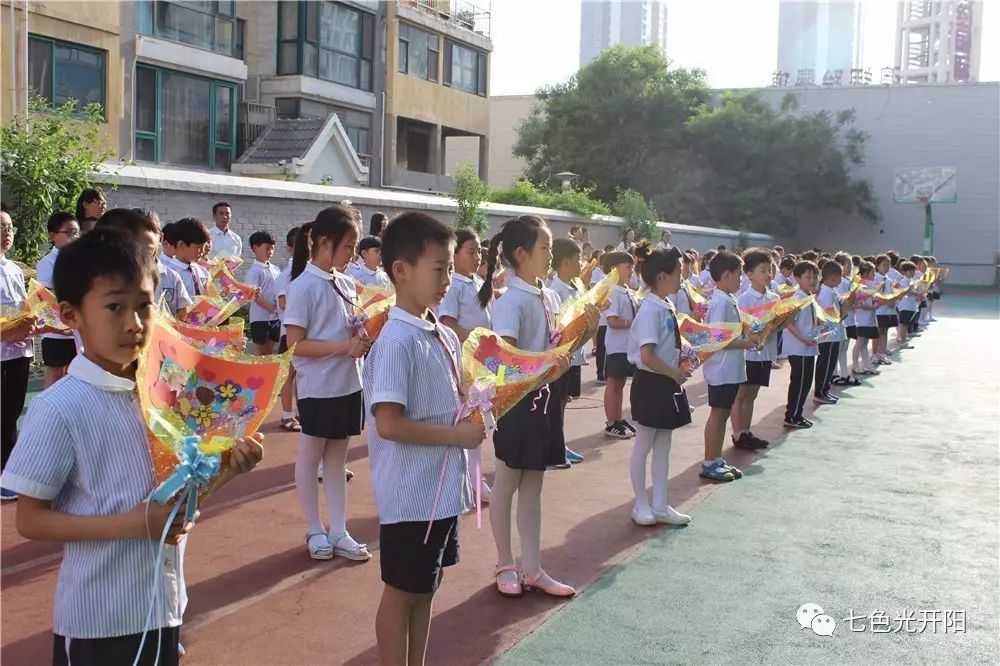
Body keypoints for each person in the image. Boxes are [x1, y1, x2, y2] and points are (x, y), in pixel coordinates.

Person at [1, 227, 263, 666]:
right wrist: (133, 523)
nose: (134, 323)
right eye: (114, 307)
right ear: (71, 315)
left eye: (144, 306)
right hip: (98, 621)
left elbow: (174, 502)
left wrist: (230, 469)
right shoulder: (60, 407)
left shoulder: (164, 396)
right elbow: (29, 519)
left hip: (162, 608)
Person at [364, 212, 486, 666]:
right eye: (439, 269)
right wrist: (456, 434)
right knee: (401, 592)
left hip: (440, 493)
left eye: (450, 268)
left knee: (425, 588)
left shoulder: (443, 335)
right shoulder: (397, 341)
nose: (447, 279)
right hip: (411, 496)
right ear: (401, 270)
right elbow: (389, 424)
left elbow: (457, 397)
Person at [479, 215, 593, 599]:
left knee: (534, 485)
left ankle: (532, 568)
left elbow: (557, 345)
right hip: (518, 404)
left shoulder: (549, 295)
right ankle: (504, 563)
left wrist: (585, 331)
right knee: (508, 482)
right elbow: (506, 361)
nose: (550, 254)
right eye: (544, 248)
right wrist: (544, 369)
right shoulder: (511, 300)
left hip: (546, 400)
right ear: (521, 254)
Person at [284, 204, 372, 561]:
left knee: (337, 459)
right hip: (318, 387)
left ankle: (339, 529)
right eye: (348, 246)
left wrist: (363, 332)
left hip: (348, 384)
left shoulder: (346, 283)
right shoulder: (303, 286)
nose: (353, 254)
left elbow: (348, 328)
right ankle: (314, 528)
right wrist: (344, 345)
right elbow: (295, 345)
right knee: (311, 456)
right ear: (323, 242)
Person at [627, 246, 692, 526]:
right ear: (663, 276)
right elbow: (647, 355)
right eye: (679, 271)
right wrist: (674, 374)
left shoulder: (666, 304)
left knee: (663, 444)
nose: (683, 275)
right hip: (652, 382)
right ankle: (641, 504)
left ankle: (661, 503)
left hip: (665, 382)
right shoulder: (650, 309)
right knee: (643, 445)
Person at [439, 229, 493, 502]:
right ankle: (466, 481)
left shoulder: (477, 283)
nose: (477, 256)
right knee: (463, 421)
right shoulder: (453, 286)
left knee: (476, 423)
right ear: (455, 254)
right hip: (462, 365)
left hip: (479, 366)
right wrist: (477, 341)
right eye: (470, 252)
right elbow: (447, 324)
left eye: (478, 252)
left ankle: (473, 479)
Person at [699, 251, 752, 482]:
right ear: (727, 275)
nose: (741, 279)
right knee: (718, 414)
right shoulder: (720, 301)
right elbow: (718, 340)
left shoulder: (728, 298)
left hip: (729, 368)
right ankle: (709, 461)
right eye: (739, 274)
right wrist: (747, 342)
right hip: (721, 368)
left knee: (724, 413)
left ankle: (715, 458)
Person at [98, 208, 192, 321]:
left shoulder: (172, 278)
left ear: (160, 238)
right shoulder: (116, 276)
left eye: (149, 231)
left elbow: (184, 317)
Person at [0, 210, 36, 502]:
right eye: (1, 226)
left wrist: (34, 320)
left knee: (11, 412)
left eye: (10, 226)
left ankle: (8, 473)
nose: (7, 232)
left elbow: (22, 307)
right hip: (1, 349)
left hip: (19, 351)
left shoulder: (13, 268)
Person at [731, 248, 778, 451]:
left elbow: (778, 326)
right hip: (748, 353)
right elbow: (740, 328)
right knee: (741, 394)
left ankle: (746, 431)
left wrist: (783, 320)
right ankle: (737, 433)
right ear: (749, 274)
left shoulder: (774, 298)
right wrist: (758, 328)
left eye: (770, 270)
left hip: (765, 353)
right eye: (763, 270)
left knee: (752, 395)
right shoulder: (743, 300)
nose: (768, 275)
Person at [547, 238, 586, 465]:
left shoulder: (574, 287)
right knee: (556, 402)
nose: (581, 263)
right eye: (578, 259)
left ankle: (559, 443)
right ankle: (554, 446)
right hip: (560, 355)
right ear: (565, 261)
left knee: (563, 401)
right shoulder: (556, 290)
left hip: (574, 355)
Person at [36, 212, 81, 387]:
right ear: (53, 236)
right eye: (69, 232)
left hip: (76, 329)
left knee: (74, 372)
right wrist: (59, 326)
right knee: (56, 372)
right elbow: (45, 298)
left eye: (77, 232)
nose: (74, 237)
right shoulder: (48, 263)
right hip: (57, 330)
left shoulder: (79, 261)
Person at [602, 251, 638, 439]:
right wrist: (633, 323)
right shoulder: (613, 291)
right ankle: (611, 422)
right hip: (617, 346)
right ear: (614, 269)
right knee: (613, 384)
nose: (631, 270)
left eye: (631, 266)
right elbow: (613, 321)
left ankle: (618, 418)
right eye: (627, 266)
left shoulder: (629, 291)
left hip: (628, 346)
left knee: (621, 384)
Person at [782, 260, 820, 429]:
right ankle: (792, 415)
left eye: (814, 276)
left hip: (808, 346)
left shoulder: (808, 297)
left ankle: (797, 413)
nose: (812, 280)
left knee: (805, 382)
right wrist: (803, 339)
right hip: (799, 347)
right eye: (808, 277)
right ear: (798, 278)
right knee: (799, 381)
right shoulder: (796, 298)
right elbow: (788, 323)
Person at [275, 226, 302, 432]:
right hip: (290, 332)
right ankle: (286, 414)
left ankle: (301, 412)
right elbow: (283, 302)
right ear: (291, 249)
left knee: (303, 374)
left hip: (307, 333)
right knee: (289, 374)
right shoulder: (287, 275)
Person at [245, 231, 282, 355]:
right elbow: (253, 294)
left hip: (275, 317)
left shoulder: (275, 269)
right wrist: (270, 308)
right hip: (260, 318)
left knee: (270, 348)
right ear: (255, 248)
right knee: (260, 350)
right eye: (267, 248)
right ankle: (255, 373)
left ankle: (266, 374)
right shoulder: (254, 271)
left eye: (272, 248)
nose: (270, 251)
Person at [814, 260, 845, 404]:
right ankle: (820, 392)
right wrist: (840, 316)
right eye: (840, 276)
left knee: (830, 363)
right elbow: (826, 317)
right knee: (825, 364)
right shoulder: (826, 293)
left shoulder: (831, 291)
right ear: (833, 277)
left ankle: (825, 389)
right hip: (828, 334)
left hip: (833, 332)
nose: (841, 279)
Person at [163, 218, 211, 298]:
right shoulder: (168, 274)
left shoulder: (203, 272)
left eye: (204, 246)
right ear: (181, 244)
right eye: (198, 247)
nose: (202, 251)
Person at [850, 261, 881, 377]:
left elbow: (876, 299)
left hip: (870, 319)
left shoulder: (873, 284)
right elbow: (856, 301)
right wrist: (866, 306)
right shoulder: (860, 285)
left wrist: (876, 304)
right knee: (860, 342)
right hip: (862, 319)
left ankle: (866, 365)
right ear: (866, 274)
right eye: (873, 272)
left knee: (865, 342)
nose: (874, 275)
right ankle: (855, 365)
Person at [895, 260, 918, 348]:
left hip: (910, 305)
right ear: (904, 272)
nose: (912, 272)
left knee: (905, 324)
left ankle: (902, 339)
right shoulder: (904, 281)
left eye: (913, 270)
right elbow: (906, 292)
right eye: (909, 270)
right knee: (904, 324)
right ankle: (902, 341)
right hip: (905, 306)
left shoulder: (911, 280)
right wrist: (917, 294)